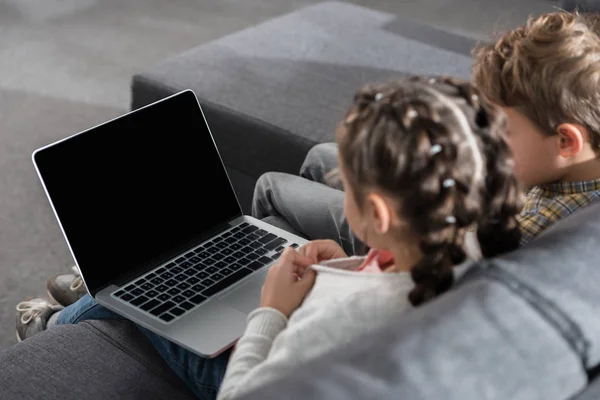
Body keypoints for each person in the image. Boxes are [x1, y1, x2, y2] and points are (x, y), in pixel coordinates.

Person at [16, 76, 523, 399]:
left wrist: (273, 311)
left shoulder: (340, 315)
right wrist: (343, 264)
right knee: (158, 283)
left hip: (253, 368)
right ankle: (84, 298)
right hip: (336, 315)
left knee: (141, 298)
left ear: (377, 212)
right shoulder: (475, 244)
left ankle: (59, 318)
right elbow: (391, 282)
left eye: (343, 183)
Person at [254, 10, 600, 249]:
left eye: (501, 131)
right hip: (460, 210)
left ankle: (255, 285)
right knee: (320, 157)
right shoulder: (573, 173)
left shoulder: (531, 233)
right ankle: (288, 246)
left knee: (271, 186)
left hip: (416, 245)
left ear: (567, 141)